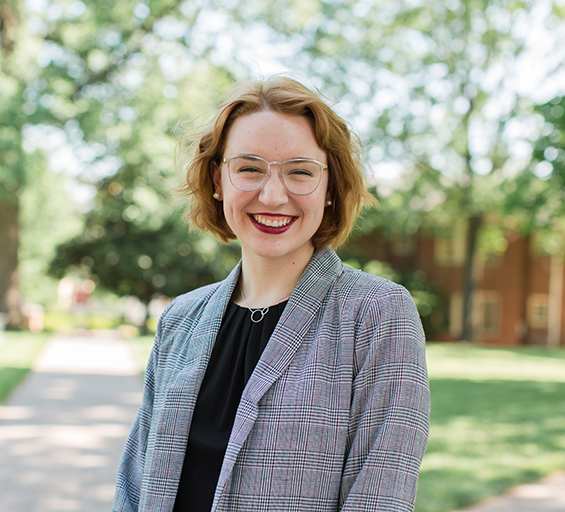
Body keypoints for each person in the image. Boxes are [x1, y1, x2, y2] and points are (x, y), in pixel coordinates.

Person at [113, 75, 430, 512]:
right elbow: (134, 489)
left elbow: (380, 499)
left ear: (331, 187)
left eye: (300, 171)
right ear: (218, 179)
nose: (273, 194)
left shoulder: (377, 316)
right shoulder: (179, 319)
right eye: (249, 168)